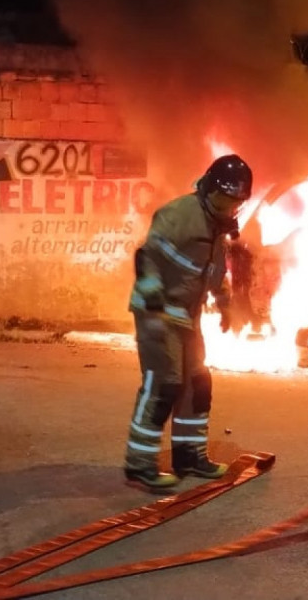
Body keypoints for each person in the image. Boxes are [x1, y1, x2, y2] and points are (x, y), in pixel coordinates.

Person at [123, 154, 253, 491]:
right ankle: (139, 464)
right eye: (223, 200)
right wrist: (153, 301)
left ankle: (189, 456)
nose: (228, 208)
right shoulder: (180, 215)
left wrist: (224, 304)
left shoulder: (217, 225)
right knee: (164, 385)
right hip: (158, 311)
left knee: (198, 383)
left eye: (235, 203)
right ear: (208, 188)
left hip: (186, 317)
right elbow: (147, 256)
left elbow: (213, 269)